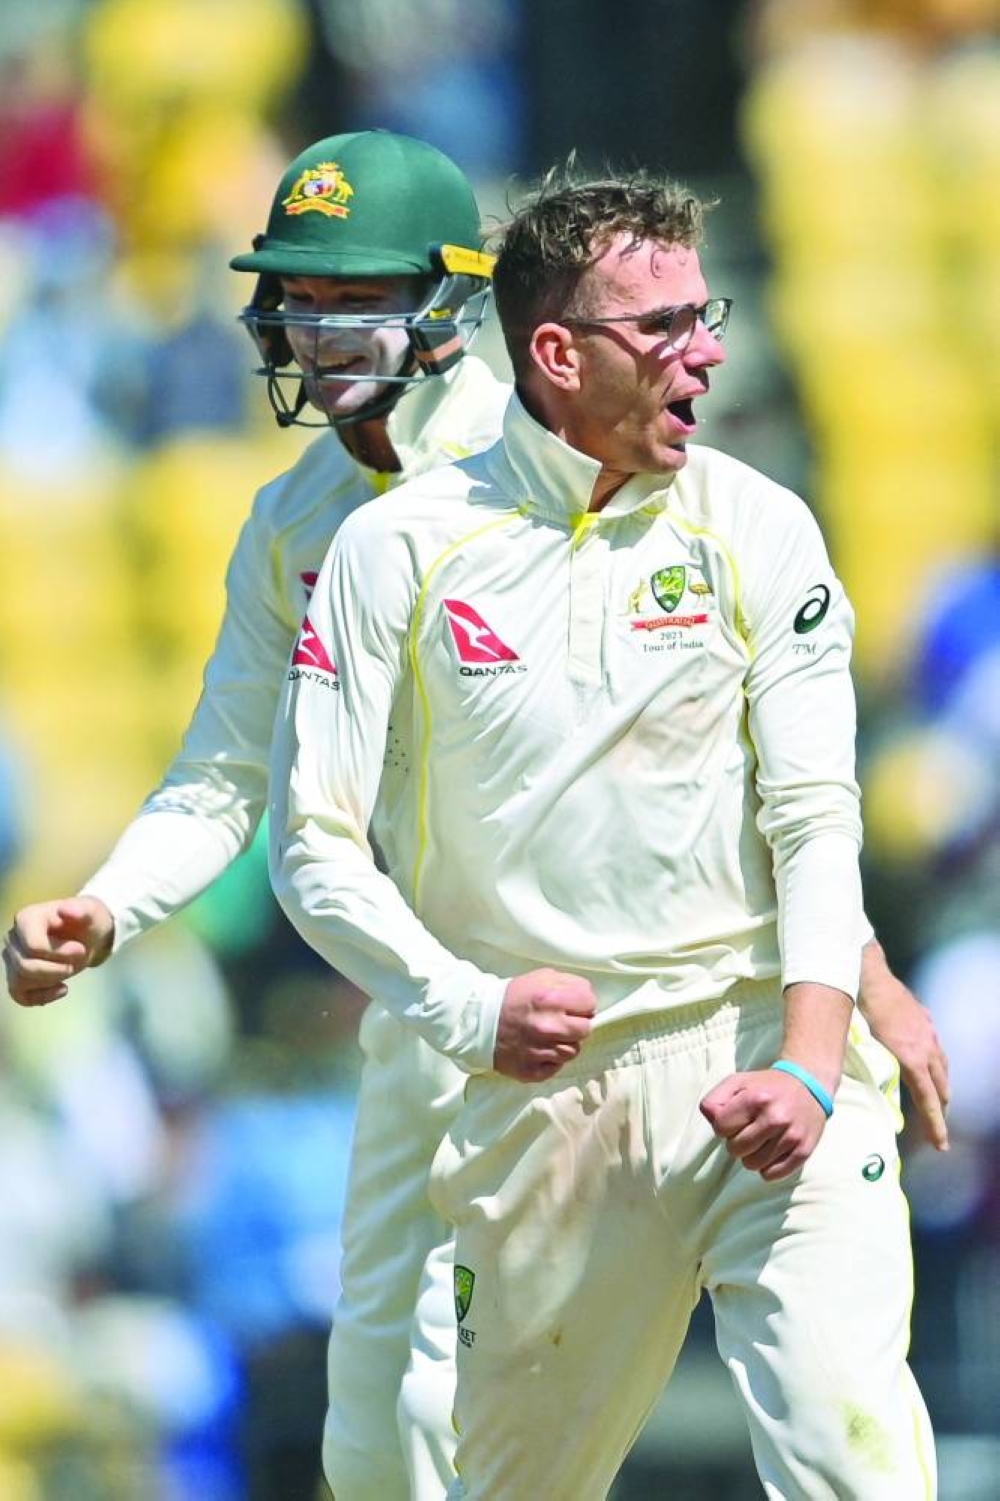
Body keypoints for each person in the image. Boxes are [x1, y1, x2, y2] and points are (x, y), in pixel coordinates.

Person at [3, 141, 946, 1496]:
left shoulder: (577, 458)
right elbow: (226, 775)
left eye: (353, 299)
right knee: (378, 1446)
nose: (317, 333)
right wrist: (108, 905)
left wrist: (853, 973)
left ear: (453, 309)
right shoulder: (300, 524)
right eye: (300, 301)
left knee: (809, 1425)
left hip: (659, 1011)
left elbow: (717, 770)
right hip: (440, 1009)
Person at [268, 166, 938, 1499]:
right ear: (558, 353)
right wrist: (467, 1007)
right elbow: (313, 846)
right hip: (544, 1096)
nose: (708, 351)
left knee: (853, 1447)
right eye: (664, 326)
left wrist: (817, 1057)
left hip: (763, 1046)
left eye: (709, 312)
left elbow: (812, 818)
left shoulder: (759, 525)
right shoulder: (398, 550)